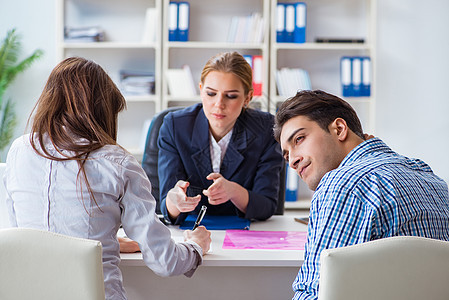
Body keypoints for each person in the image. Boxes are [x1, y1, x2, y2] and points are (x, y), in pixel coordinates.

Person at [3, 57, 211, 300]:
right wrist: (196, 246)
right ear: (103, 111)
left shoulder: (20, 150)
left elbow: (26, 233)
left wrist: (100, 239)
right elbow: (164, 261)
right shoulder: (117, 162)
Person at [273, 90, 449, 300]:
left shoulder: (341, 183)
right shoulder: (430, 177)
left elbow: (315, 294)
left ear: (339, 129)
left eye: (299, 139)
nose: (292, 160)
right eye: (286, 155)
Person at [158, 51, 284, 224]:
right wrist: (174, 201)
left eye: (231, 96)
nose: (219, 104)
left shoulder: (265, 129)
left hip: (247, 234)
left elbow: (267, 205)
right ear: (201, 90)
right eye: (211, 94)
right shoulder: (175, 126)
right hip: (189, 232)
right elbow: (166, 208)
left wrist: (233, 191)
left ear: (247, 97)